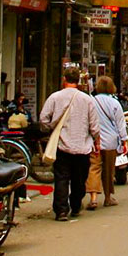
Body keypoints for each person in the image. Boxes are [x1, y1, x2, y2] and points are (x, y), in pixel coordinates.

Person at [39, 67, 102, 221]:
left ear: (64, 79)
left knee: (61, 178)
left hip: (61, 145)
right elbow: (94, 125)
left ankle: (61, 211)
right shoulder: (87, 99)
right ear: (78, 81)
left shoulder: (55, 97)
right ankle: (75, 205)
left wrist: (51, 128)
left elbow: (43, 119)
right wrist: (97, 141)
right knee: (79, 179)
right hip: (82, 147)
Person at [87, 76, 128, 209]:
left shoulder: (91, 101)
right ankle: (107, 197)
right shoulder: (115, 103)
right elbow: (120, 124)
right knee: (109, 171)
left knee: (94, 168)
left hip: (94, 141)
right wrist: (124, 141)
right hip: (111, 142)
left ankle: (93, 198)